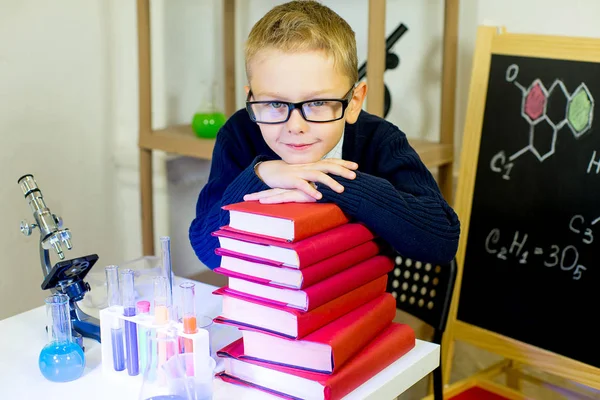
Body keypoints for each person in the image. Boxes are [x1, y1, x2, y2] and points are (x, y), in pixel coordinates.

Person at [189, 0, 460, 270]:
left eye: (317, 103)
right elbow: (206, 248)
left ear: (354, 102)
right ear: (252, 97)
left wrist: (330, 183)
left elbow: (442, 240)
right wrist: (259, 176)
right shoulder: (239, 134)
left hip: (355, 301)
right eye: (274, 104)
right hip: (264, 304)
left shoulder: (380, 140)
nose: (295, 126)